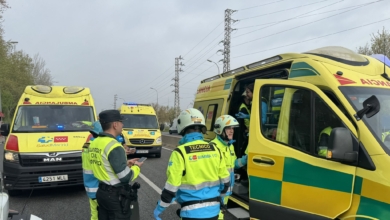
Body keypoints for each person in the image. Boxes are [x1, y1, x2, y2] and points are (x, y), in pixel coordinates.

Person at [153, 108, 231, 220]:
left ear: (183, 127)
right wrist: (220, 199)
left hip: (191, 213)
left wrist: (159, 209)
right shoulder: (216, 149)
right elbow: (225, 182)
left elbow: (171, 188)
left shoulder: (180, 153)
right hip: (214, 211)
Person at [89, 110, 143, 220]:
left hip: (101, 192)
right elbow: (125, 177)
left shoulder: (94, 143)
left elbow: (105, 164)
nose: (122, 125)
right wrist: (136, 167)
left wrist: (126, 164)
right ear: (115, 124)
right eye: (121, 122)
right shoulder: (115, 146)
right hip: (114, 195)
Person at [210, 115, 248, 220]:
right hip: (216, 190)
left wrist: (245, 160)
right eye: (228, 128)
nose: (231, 131)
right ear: (219, 130)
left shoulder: (229, 146)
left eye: (232, 128)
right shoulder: (213, 147)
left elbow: (233, 164)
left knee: (221, 213)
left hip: (226, 190)